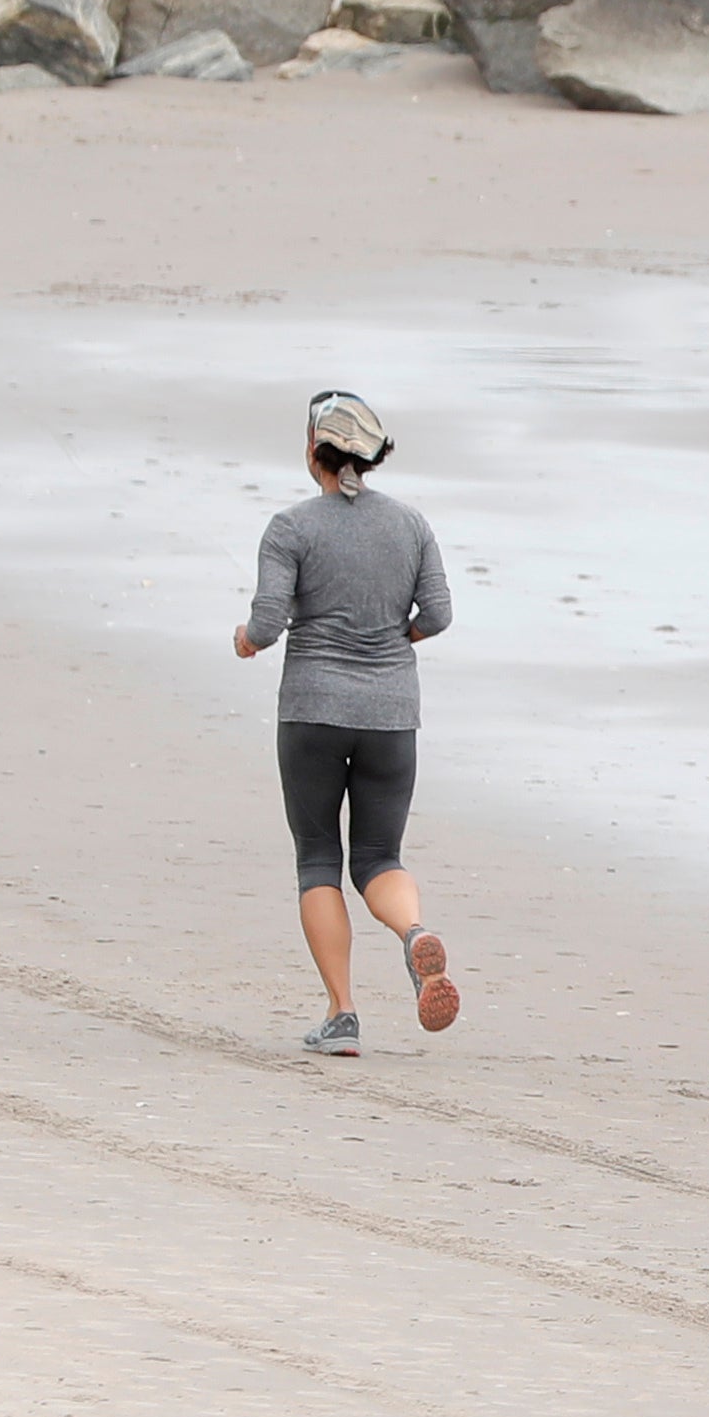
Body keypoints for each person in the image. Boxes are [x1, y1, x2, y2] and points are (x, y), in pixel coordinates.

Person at [231, 390, 456, 1058]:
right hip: (391, 713)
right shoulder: (411, 525)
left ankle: (342, 1013)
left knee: (319, 858)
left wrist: (246, 638)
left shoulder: (291, 527)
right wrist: (394, 639)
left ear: (313, 452)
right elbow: (438, 614)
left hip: (313, 710)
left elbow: (269, 624)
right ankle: (414, 932)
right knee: (380, 856)